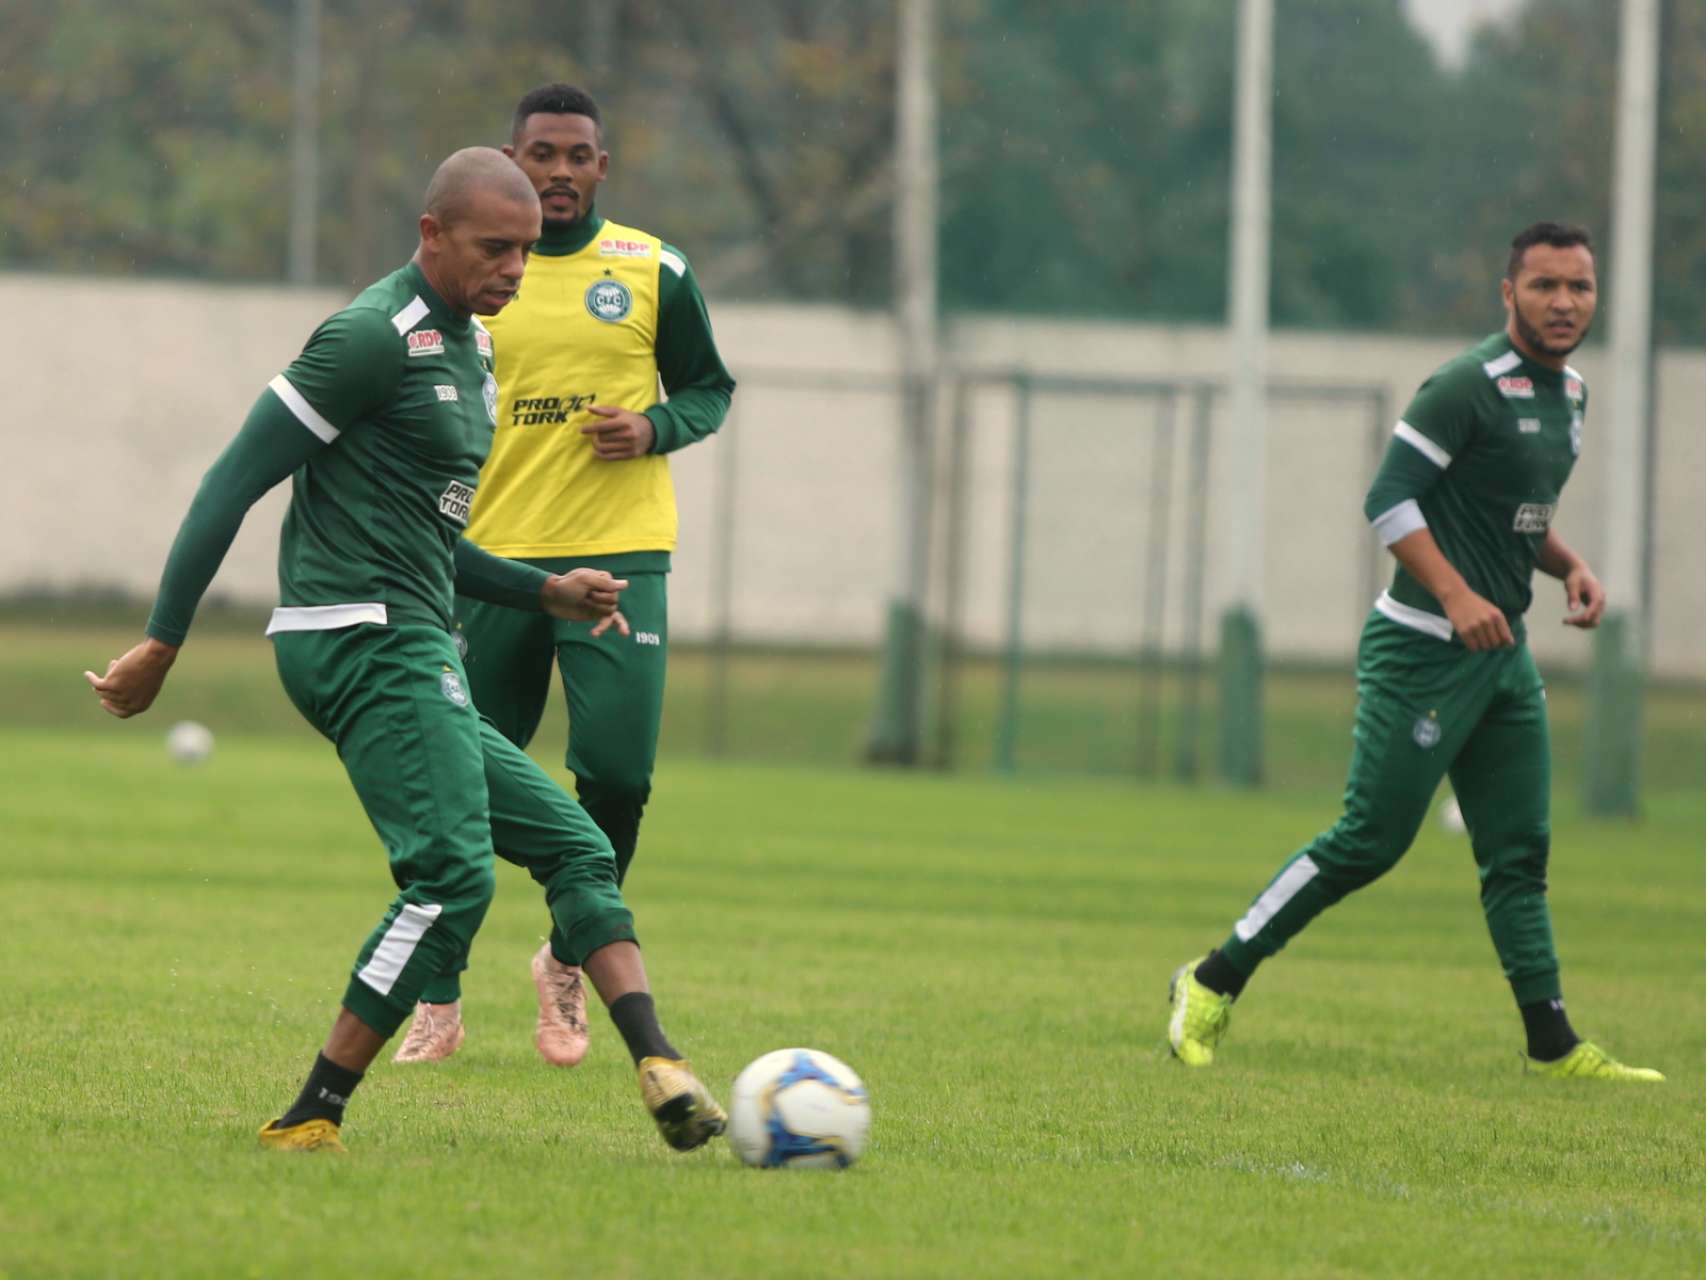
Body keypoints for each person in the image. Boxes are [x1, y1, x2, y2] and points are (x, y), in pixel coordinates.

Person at [84, 147, 728, 1153]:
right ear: (432, 234)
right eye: (493, 248)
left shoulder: (473, 351)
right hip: (355, 636)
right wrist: (164, 638)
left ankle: (660, 1062)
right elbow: (229, 481)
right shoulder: (366, 337)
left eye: (523, 250)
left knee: (578, 845)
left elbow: (433, 536)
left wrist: (541, 587)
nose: (515, 267)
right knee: (452, 876)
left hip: (411, 630)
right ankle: (311, 1112)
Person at [1166, 222, 1663, 1082]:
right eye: (1544, 285)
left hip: (1502, 657)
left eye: (1579, 287)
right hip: (1423, 653)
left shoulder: (1572, 394)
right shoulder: (1465, 387)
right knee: (1369, 841)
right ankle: (1211, 980)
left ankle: (1552, 1044)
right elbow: (1390, 502)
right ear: (1508, 294)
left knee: (1519, 855)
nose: (1564, 302)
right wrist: (1457, 594)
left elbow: (1515, 516)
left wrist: (1569, 564)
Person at [393, 84, 735, 1069]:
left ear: (601, 167)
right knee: (453, 783)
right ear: (510, 161)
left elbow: (708, 386)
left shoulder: (651, 269)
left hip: (619, 557)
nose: (558, 172)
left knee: (618, 775)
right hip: (483, 562)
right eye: (540, 153)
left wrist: (654, 426)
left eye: (577, 155)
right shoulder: (461, 275)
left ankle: (568, 953)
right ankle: (439, 995)